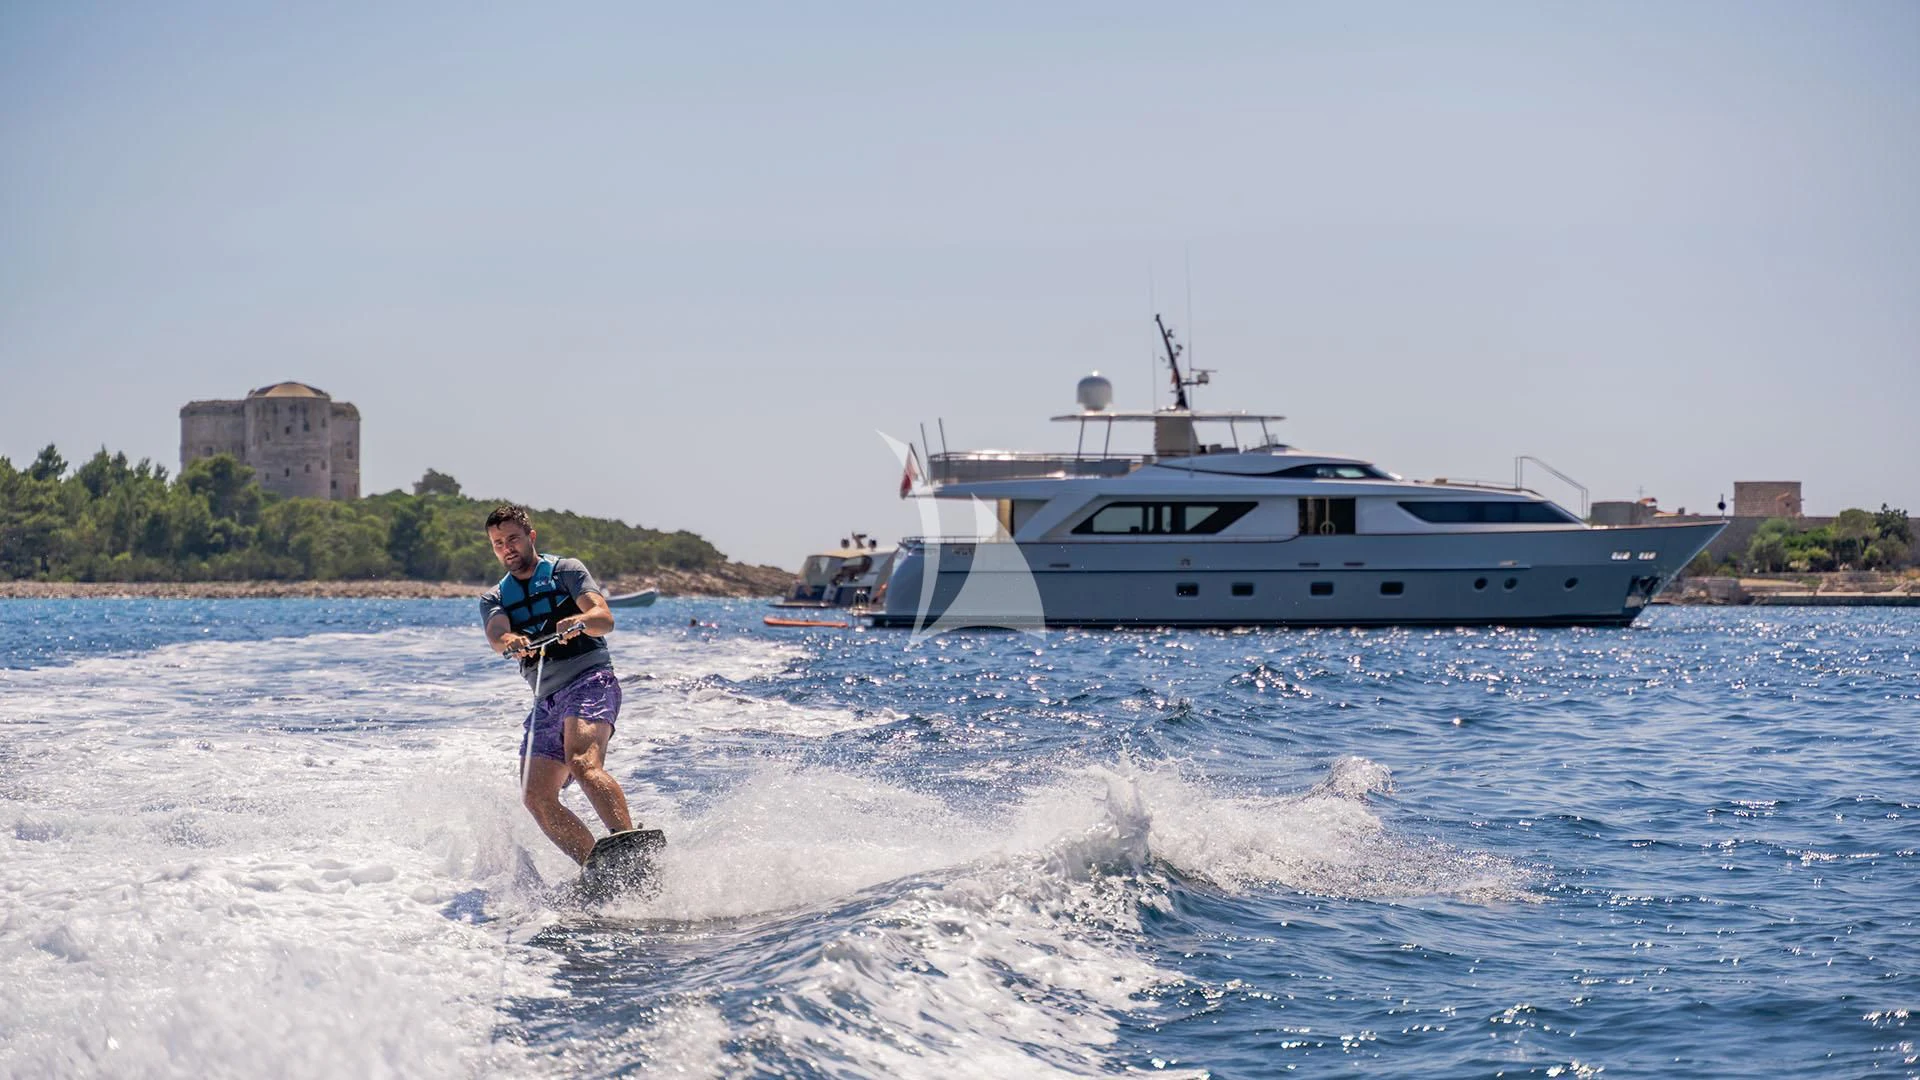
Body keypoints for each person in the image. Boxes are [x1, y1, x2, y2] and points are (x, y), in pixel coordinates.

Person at [480, 503, 634, 865]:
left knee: (581, 762)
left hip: (590, 681)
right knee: (535, 796)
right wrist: (510, 641)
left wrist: (579, 620)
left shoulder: (567, 571)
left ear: (530, 537)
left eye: (513, 539)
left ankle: (630, 846)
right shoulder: (494, 598)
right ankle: (598, 868)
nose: (507, 548)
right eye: (498, 543)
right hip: (546, 699)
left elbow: (603, 619)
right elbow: (497, 634)